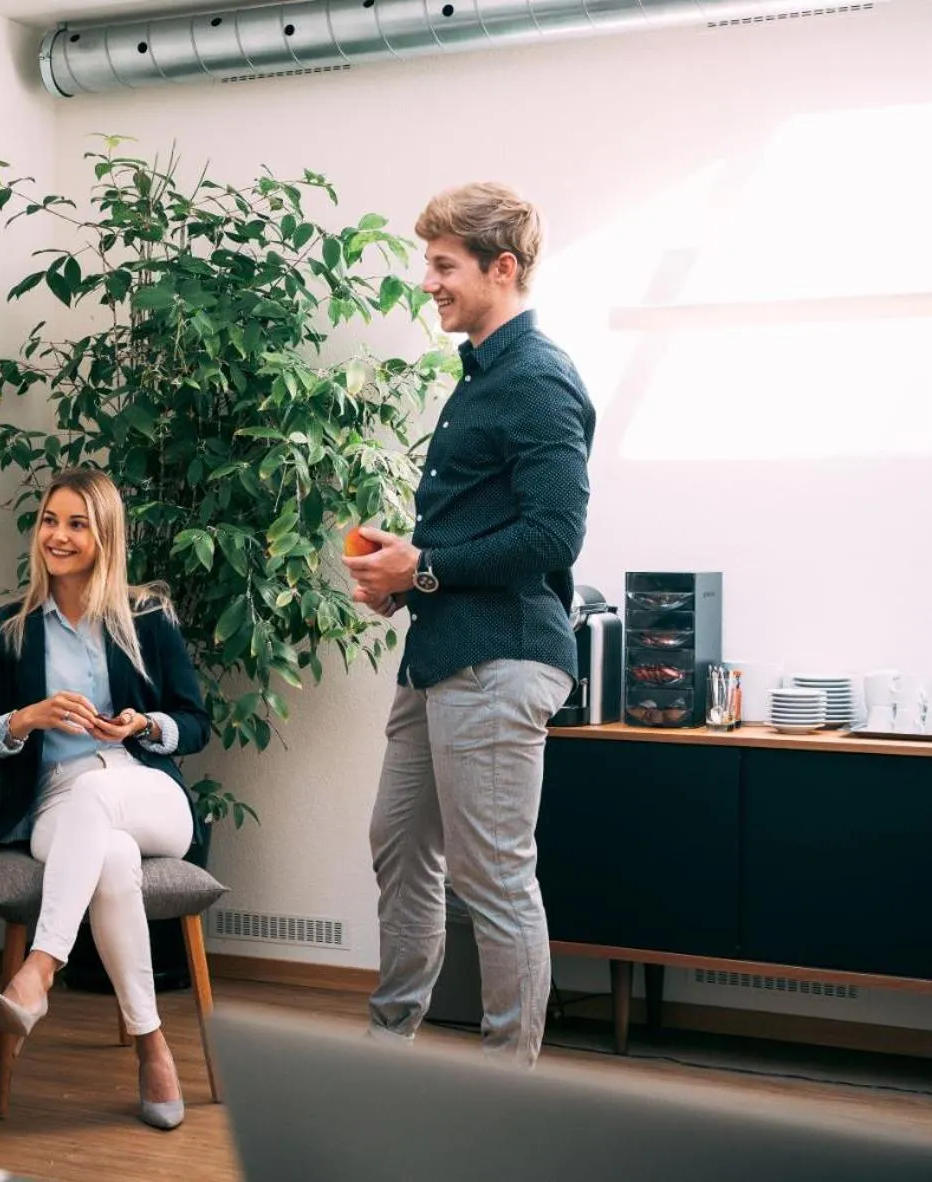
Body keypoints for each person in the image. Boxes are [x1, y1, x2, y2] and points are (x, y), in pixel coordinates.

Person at [344, 183, 595, 1066]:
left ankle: (501, 1096)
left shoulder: (534, 379)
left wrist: (425, 567)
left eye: (444, 266)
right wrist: (403, 571)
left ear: (502, 267)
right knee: (399, 845)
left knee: (493, 881)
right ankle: (388, 1056)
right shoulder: (480, 376)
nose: (428, 282)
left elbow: (552, 536)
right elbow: (486, 529)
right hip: (440, 655)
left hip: (500, 659)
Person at [0, 468, 210, 1130]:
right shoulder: (6, 629)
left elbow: (196, 722)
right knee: (113, 860)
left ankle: (39, 968)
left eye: (75, 524)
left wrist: (144, 725)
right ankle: (153, 1048)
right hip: (58, 804)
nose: (56, 536)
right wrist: (26, 718)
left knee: (103, 796)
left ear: (104, 536)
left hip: (144, 788)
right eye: (48, 520)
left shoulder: (146, 619)